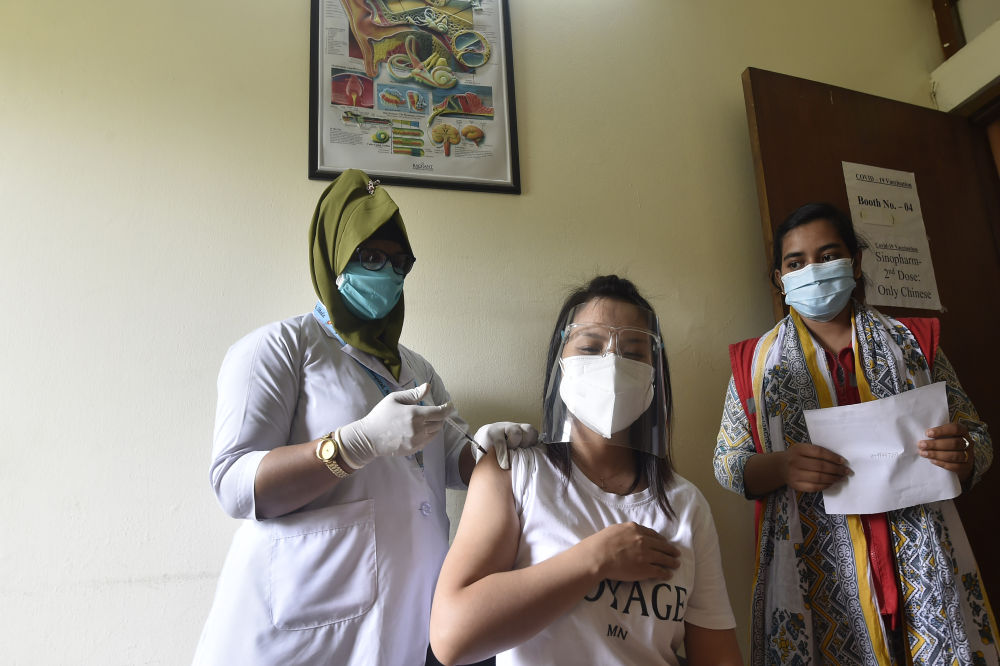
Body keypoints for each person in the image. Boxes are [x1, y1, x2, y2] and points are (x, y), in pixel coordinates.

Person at [193, 169, 537, 665]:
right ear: (332, 255)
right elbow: (235, 483)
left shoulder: (416, 369)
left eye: (398, 263)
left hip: (406, 625)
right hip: (298, 633)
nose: (387, 274)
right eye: (370, 256)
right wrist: (354, 445)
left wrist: (484, 449)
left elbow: (451, 459)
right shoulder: (278, 350)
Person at [713, 202, 997, 665]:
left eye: (828, 256)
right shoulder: (754, 364)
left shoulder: (914, 343)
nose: (813, 271)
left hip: (920, 560)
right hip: (816, 572)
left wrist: (963, 452)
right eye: (796, 263)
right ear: (780, 278)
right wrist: (781, 466)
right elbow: (728, 462)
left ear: (855, 262)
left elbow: (977, 437)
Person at [430, 275, 742, 666]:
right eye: (591, 348)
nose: (612, 364)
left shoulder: (685, 504)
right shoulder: (512, 471)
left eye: (633, 352)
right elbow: (451, 638)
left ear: (654, 374)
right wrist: (596, 559)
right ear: (561, 363)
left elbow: (719, 656)